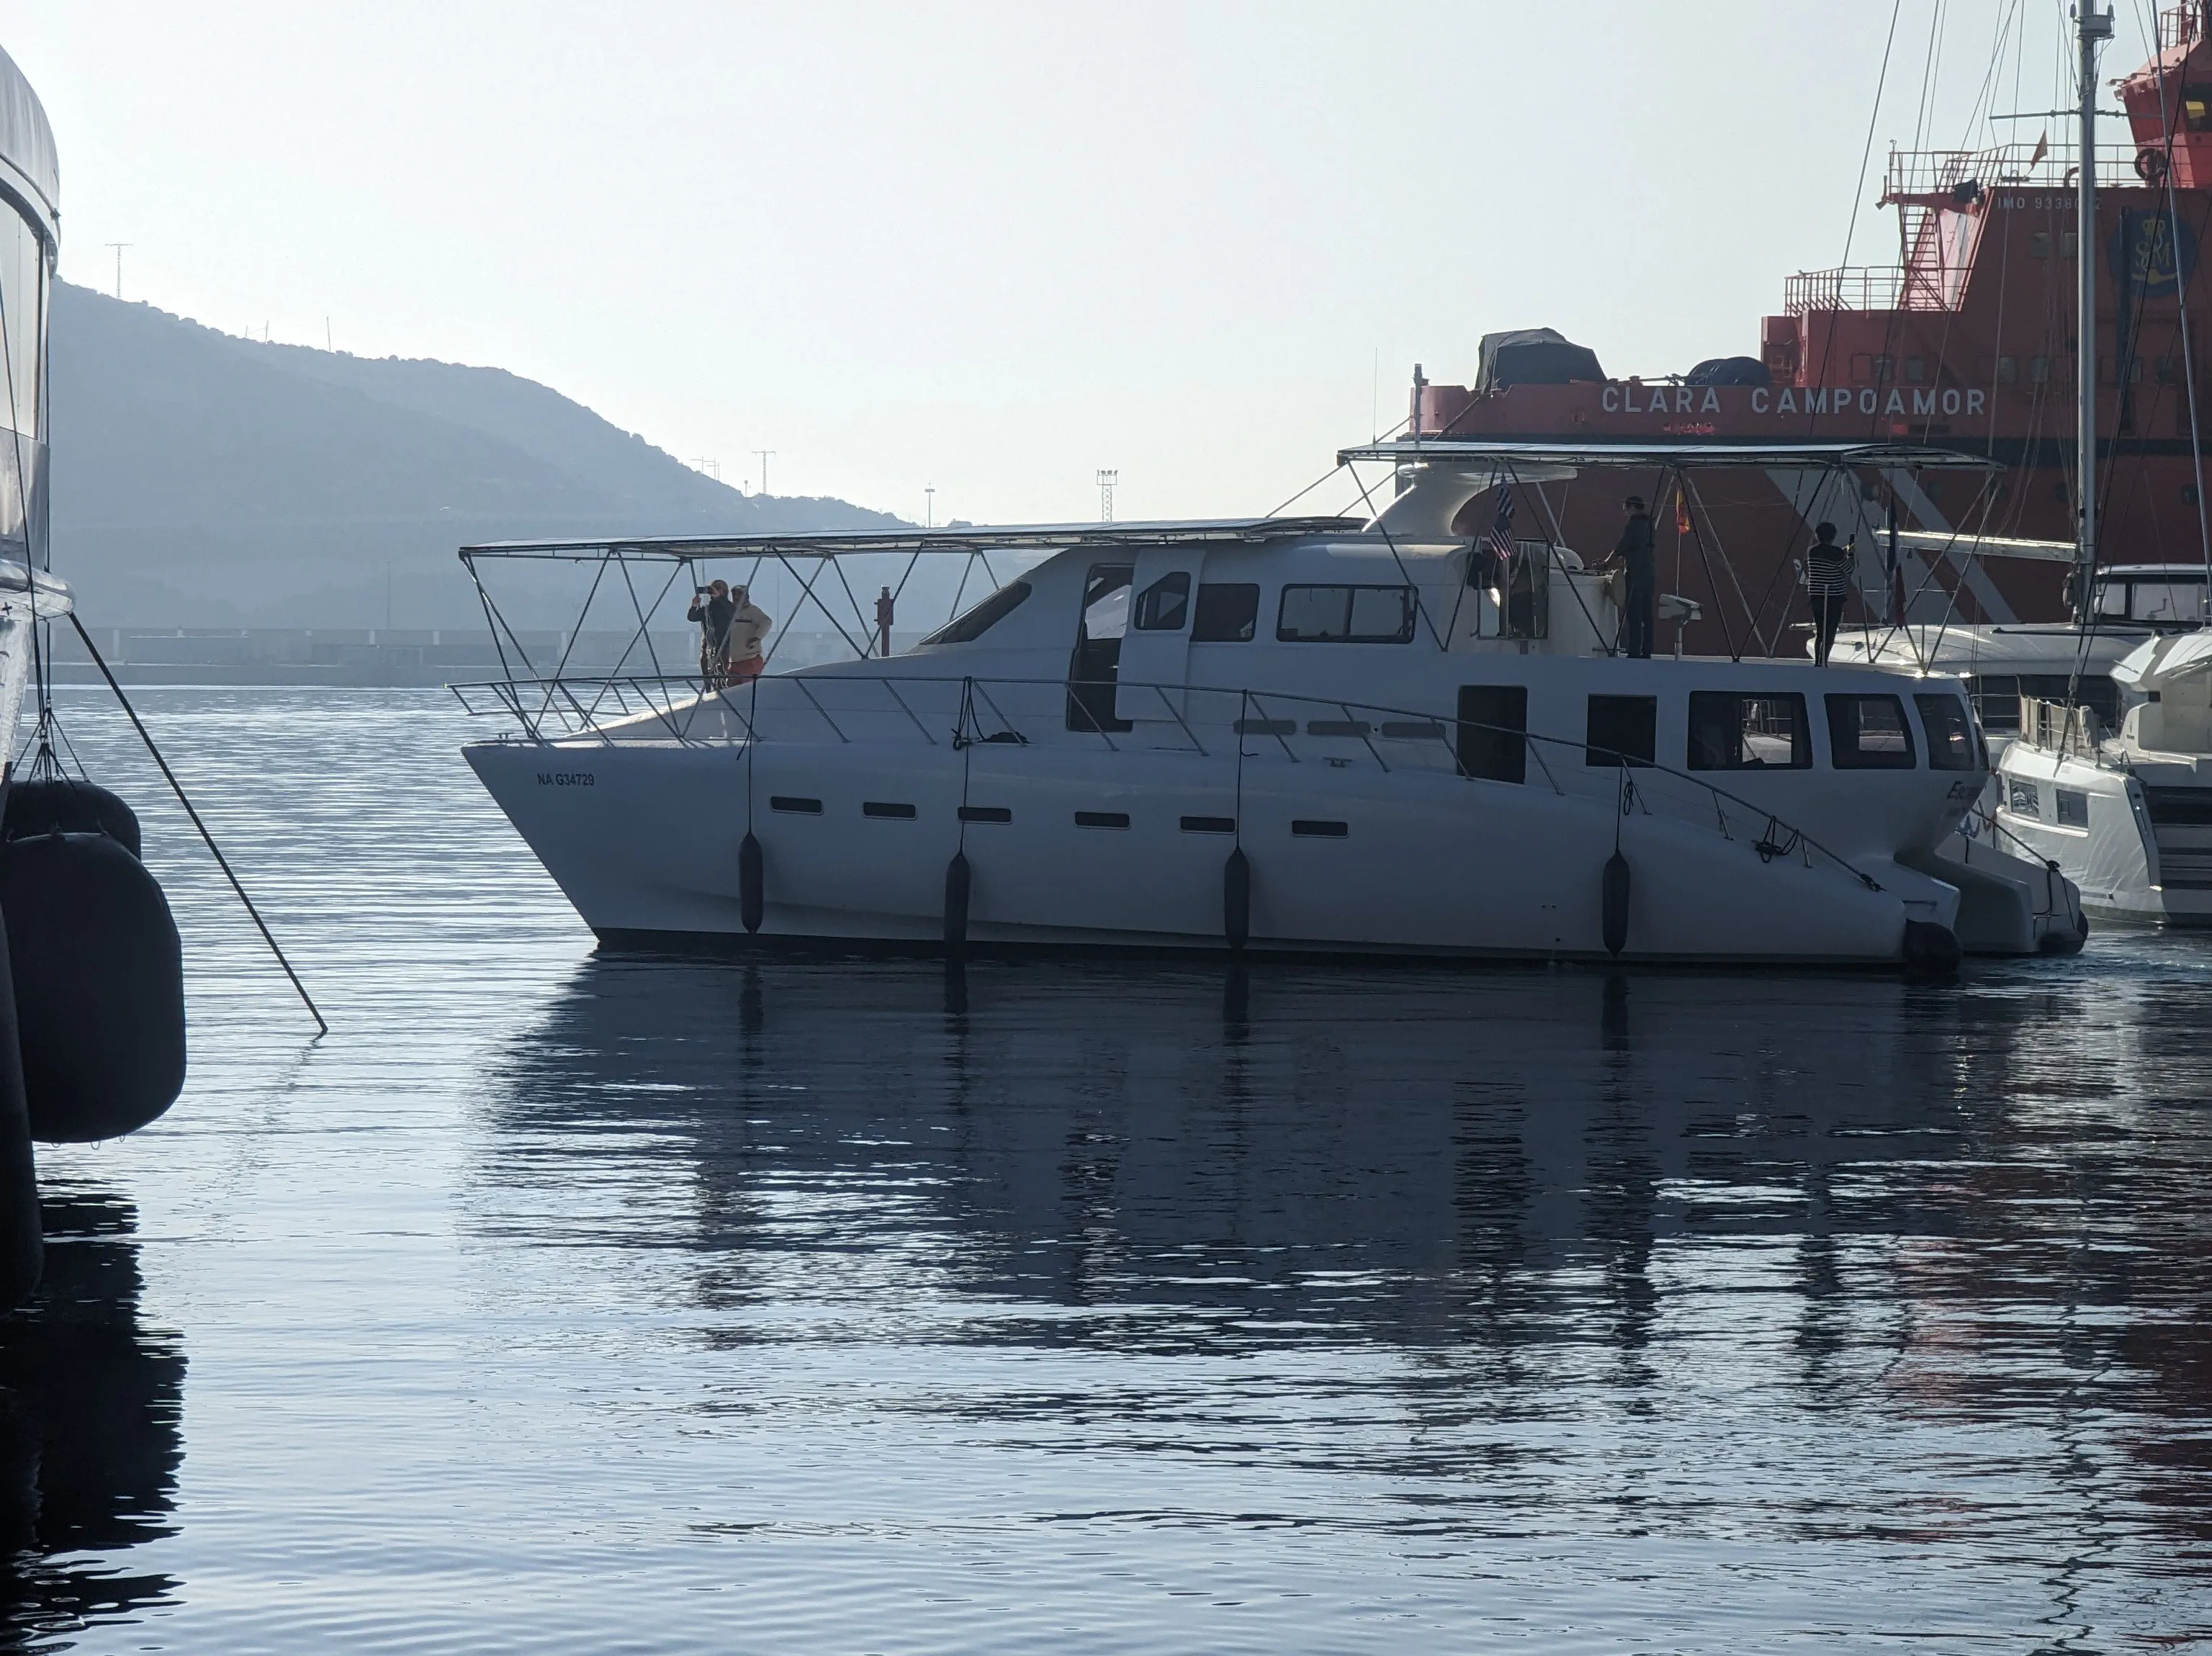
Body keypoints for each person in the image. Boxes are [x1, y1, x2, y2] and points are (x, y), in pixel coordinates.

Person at [1612, 494, 1656, 659]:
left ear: (1632, 507)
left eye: (1626, 510)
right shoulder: (1650, 524)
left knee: (1634, 614)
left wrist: (1607, 562)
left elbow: (1622, 547)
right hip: (1649, 574)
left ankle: (1634, 651)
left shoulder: (1634, 525)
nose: (1626, 514)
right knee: (1647, 613)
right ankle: (1647, 650)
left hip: (1635, 574)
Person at [1805, 521, 1854, 667]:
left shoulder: (1812, 552)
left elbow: (1829, 557)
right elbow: (1848, 570)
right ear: (1833, 536)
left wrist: (1843, 552)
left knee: (1820, 630)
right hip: (1834, 596)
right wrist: (1850, 556)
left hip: (1816, 596)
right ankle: (1824, 661)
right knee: (1831, 630)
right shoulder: (1837, 553)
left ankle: (1818, 662)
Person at [686, 579, 735, 685]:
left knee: (723, 668)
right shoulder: (708, 609)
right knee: (706, 666)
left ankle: (722, 686)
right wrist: (694, 606)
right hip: (708, 644)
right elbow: (692, 617)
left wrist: (719, 598)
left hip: (723, 643)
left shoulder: (728, 607)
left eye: (717, 589)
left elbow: (732, 612)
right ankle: (708, 686)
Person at [722, 585, 774, 682]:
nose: (737, 597)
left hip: (750, 659)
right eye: (734, 595)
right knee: (731, 688)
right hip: (733, 660)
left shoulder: (752, 610)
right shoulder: (731, 612)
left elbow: (767, 622)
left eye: (740, 594)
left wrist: (757, 638)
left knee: (748, 689)